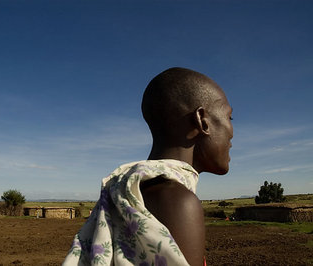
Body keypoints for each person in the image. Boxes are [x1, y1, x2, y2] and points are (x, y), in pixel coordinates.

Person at [63, 67, 233, 266]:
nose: (232, 132)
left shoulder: (127, 189)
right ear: (202, 121)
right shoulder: (177, 202)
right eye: (230, 117)